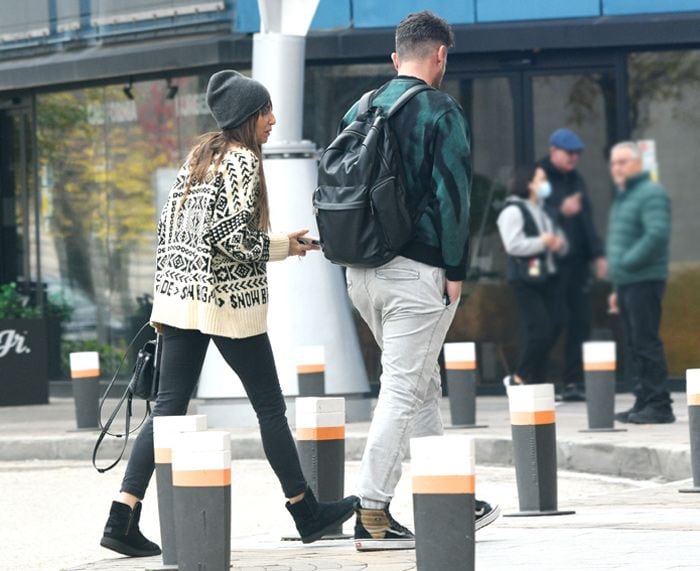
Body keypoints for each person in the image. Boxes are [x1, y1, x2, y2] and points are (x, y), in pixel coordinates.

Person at [99, 70, 358, 557]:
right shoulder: (240, 162)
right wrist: (285, 246)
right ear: (248, 117)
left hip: (179, 298)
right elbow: (230, 238)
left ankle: (122, 516)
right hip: (225, 301)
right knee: (269, 406)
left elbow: (172, 229)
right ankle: (305, 510)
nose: (273, 121)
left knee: (167, 410)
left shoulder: (197, 159)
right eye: (266, 112)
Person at [339, 11, 499, 552]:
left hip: (360, 273)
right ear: (440, 56)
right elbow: (455, 197)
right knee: (404, 388)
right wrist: (455, 270)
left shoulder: (359, 108)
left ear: (395, 58)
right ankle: (372, 511)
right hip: (417, 273)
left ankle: (448, 497)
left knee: (419, 382)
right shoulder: (440, 110)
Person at [607, 142, 674, 424]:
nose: (617, 168)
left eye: (623, 162)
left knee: (646, 343)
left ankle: (659, 405)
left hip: (645, 279)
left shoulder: (651, 193)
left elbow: (657, 235)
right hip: (628, 282)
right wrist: (616, 286)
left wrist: (626, 263)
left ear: (638, 163)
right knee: (635, 344)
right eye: (614, 163)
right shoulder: (626, 196)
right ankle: (643, 400)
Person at [539, 128, 606, 402]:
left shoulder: (576, 179)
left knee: (580, 322)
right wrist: (558, 210)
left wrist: (597, 255)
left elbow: (586, 222)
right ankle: (536, 377)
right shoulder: (538, 176)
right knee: (554, 322)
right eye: (569, 153)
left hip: (577, 265)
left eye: (577, 153)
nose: (574, 158)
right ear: (553, 150)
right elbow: (526, 213)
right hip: (550, 265)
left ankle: (572, 383)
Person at [498, 165, 568, 386]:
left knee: (555, 324)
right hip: (524, 279)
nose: (545, 184)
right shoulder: (513, 211)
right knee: (539, 329)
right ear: (528, 183)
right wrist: (543, 242)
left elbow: (558, 239)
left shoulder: (542, 210)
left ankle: (536, 381)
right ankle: (519, 376)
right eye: (541, 179)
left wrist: (558, 244)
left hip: (546, 277)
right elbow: (513, 245)